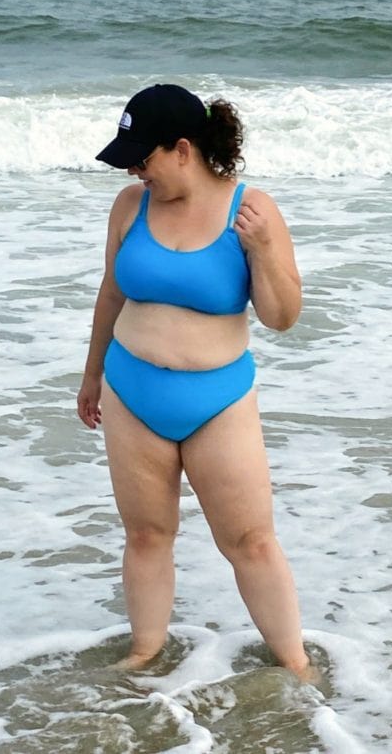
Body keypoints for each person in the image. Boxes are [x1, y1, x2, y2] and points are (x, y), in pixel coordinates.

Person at [77, 83, 310, 678]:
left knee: (251, 543)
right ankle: (143, 655)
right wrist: (92, 374)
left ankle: (298, 666)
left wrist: (260, 251)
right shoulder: (130, 206)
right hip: (131, 392)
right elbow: (111, 292)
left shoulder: (251, 211)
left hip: (218, 401)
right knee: (147, 535)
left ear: (183, 149)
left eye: (142, 157)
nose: (133, 170)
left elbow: (282, 317)